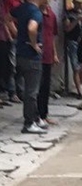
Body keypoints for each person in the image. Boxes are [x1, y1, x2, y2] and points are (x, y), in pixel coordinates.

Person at [10, 0, 48, 134]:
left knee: (30, 88)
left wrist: (17, 35)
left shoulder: (22, 8)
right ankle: (29, 123)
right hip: (32, 56)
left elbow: (7, 18)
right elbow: (32, 28)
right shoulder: (35, 12)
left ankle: (36, 119)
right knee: (31, 92)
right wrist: (34, 44)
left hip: (21, 54)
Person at [35, 0, 56, 127]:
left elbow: (52, 35)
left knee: (46, 87)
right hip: (36, 55)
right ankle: (35, 116)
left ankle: (44, 115)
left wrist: (54, 54)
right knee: (36, 88)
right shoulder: (35, 13)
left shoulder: (51, 14)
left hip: (47, 55)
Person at [64, 0, 82, 100]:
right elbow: (67, 28)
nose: (81, 5)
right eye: (79, 3)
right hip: (73, 42)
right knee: (75, 67)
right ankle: (79, 92)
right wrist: (77, 19)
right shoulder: (68, 13)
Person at [1, 0, 22, 104]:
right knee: (10, 66)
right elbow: (5, 19)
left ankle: (15, 92)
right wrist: (11, 36)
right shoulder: (8, 2)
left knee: (14, 66)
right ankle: (10, 92)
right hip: (8, 37)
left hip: (12, 37)